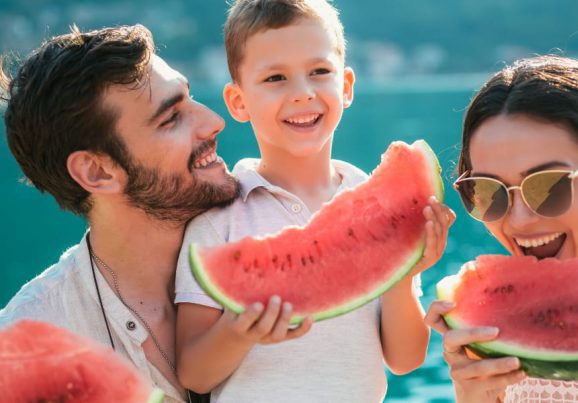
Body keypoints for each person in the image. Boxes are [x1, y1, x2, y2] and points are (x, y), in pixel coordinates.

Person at [174, 0, 455, 402]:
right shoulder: (217, 222)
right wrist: (238, 332)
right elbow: (193, 373)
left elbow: (405, 359)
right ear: (238, 102)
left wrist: (402, 271)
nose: (302, 93)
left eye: (319, 72)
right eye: (275, 78)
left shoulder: (379, 207)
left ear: (346, 86)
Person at [0, 24, 240, 403]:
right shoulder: (23, 358)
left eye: (189, 97)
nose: (214, 122)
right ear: (98, 171)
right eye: (171, 117)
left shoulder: (272, 222)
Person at [425, 55, 578, 402]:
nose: (518, 220)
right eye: (489, 192)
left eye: (548, 187)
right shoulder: (492, 340)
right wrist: (473, 395)